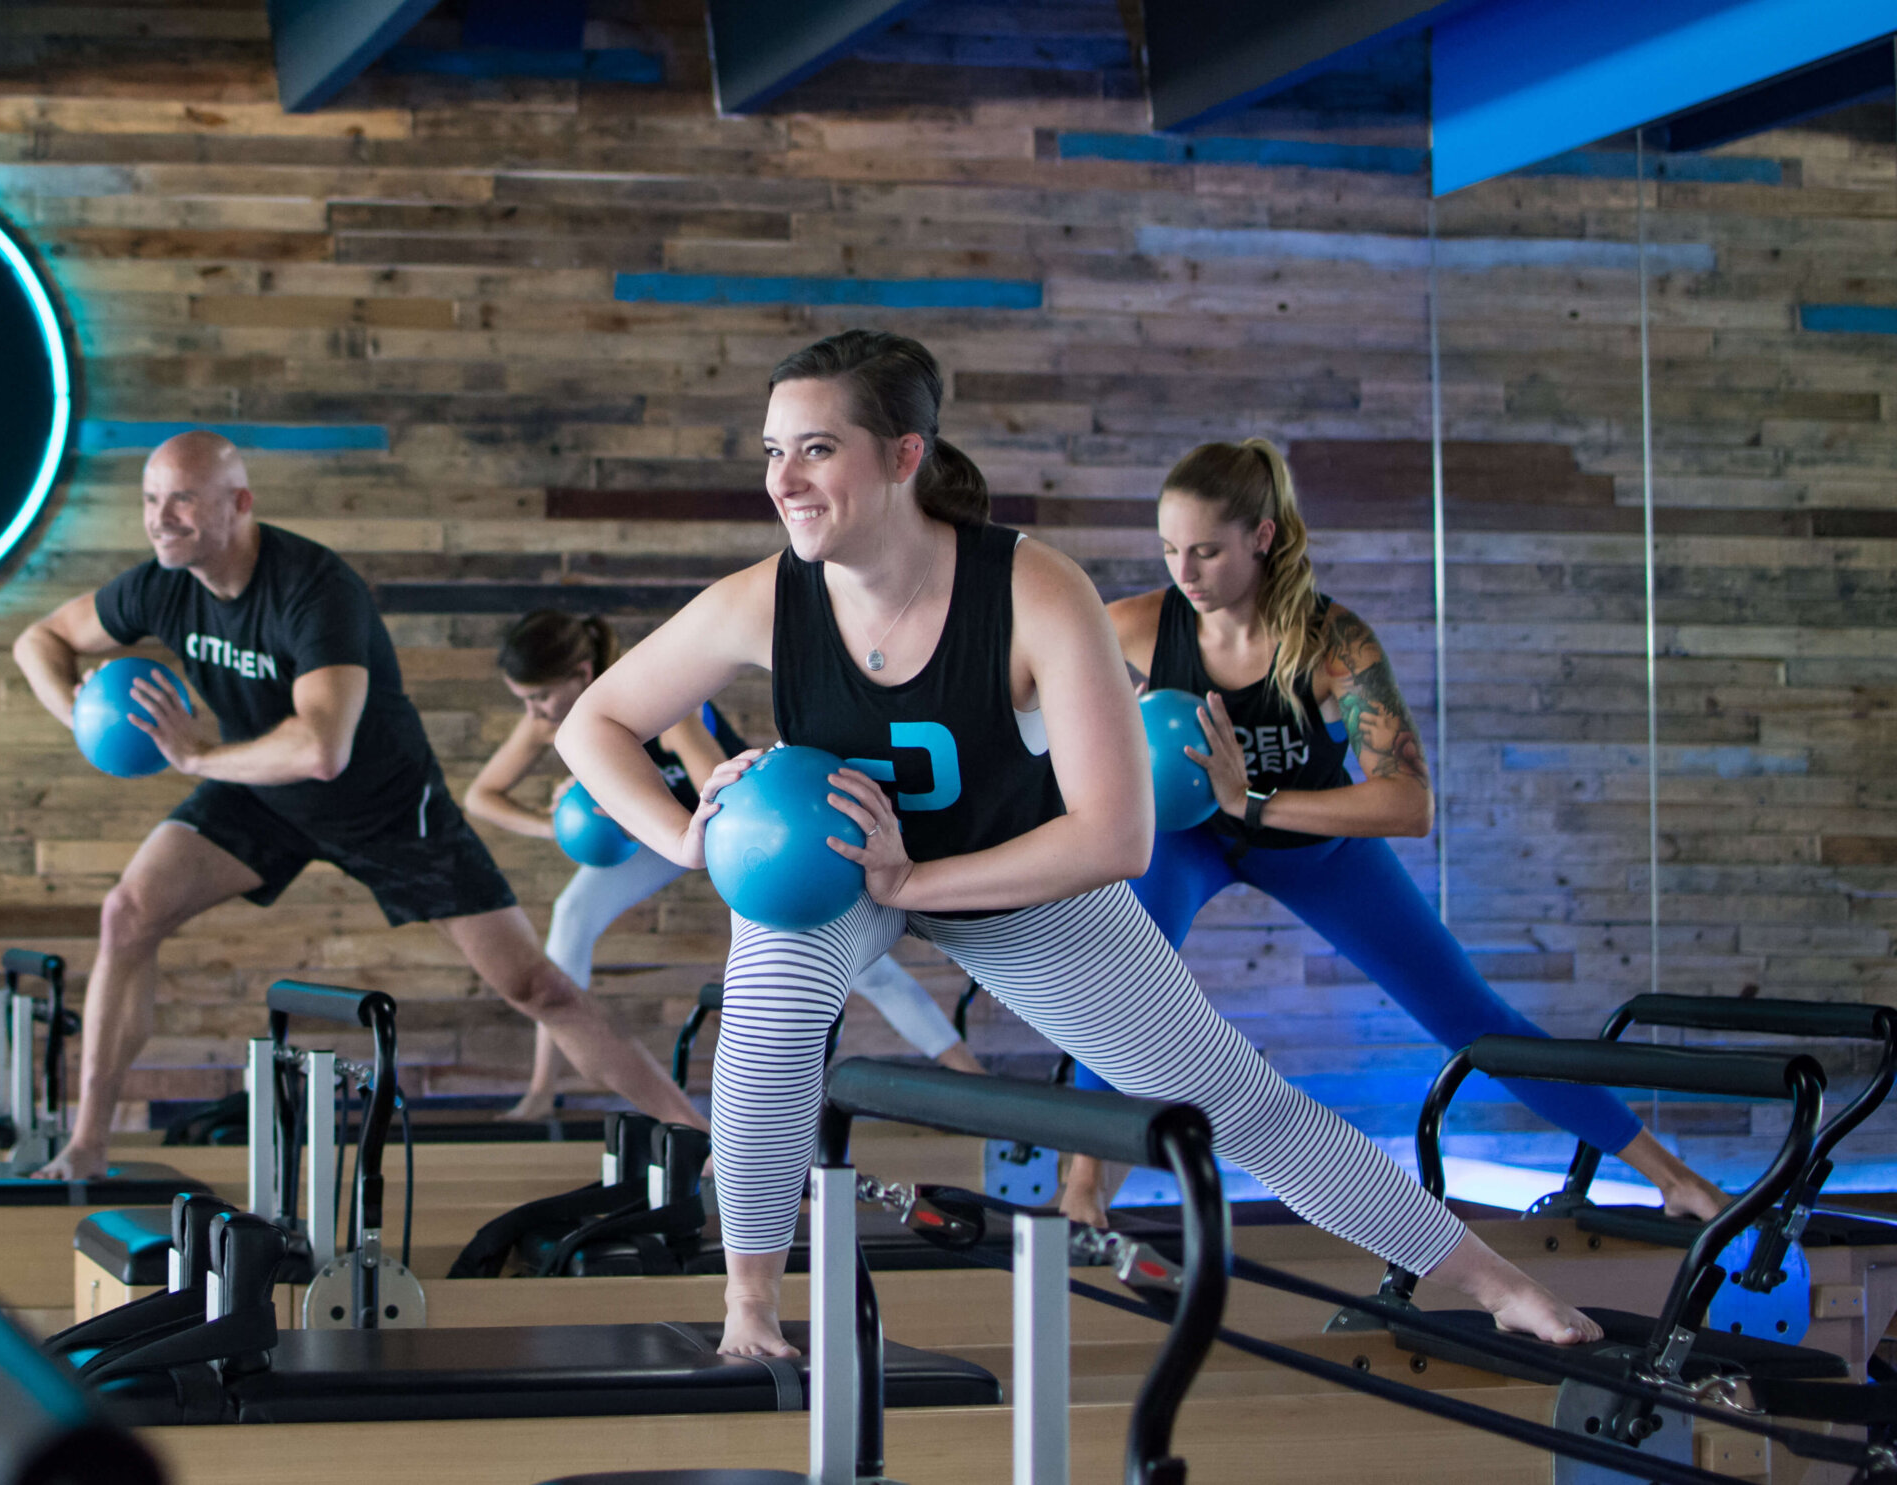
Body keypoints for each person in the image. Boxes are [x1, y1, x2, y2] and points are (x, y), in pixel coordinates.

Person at [555, 328, 1601, 1357]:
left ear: (905, 454)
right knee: (765, 1034)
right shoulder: (762, 599)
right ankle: (749, 1310)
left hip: (1020, 873)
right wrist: (683, 837)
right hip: (831, 876)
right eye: (773, 451)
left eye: (817, 449)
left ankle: (1488, 1280)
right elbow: (590, 723)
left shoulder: (1030, 588)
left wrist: (921, 874)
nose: (784, 479)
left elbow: (1117, 834)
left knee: (1227, 1100)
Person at [1050, 438, 1729, 1227]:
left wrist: (1254, 803)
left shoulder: (1333, 642)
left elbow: (1409, 805)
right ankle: (1083, 1192)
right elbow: (1028, 708)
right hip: (1188, 839)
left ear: (1262, 537)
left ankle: (1671, 1175)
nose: (1185, 574)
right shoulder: (1131, 627)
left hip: (1313, 845)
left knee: (1470, 1016)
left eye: (1206, 551)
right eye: (1170, 550)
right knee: (1118, 984)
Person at [11, 432, 704, 1178]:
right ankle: (86, 1144)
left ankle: (701, 1140)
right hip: (263, 794)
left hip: (384, 806)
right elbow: (40, 639)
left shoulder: (314, 589)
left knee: (536, 985)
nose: (160, 518)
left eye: (182, 498)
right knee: (127, 913)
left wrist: (198, 758)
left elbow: (322, 748)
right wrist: (80, 711)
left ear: (239, 504)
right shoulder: (160, 586)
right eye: (151, 499)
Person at [465, 609, 985, 1120]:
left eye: (539, 696)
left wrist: (642, 815)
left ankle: (965, 1071)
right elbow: (481, 796)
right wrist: (553, 820)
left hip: (741, 830)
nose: (533, 712)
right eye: (525, 701)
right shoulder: (550, 722)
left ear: (580, 675)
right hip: (661, 835)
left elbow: (718, 791)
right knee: (572, 911)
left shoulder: (661, 707)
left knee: (848, 952)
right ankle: (543, 1086)